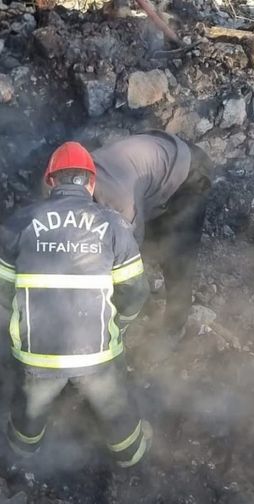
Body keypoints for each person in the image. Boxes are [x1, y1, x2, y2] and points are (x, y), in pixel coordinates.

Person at [0, 141, 153, 468]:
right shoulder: (114, 225)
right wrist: (120, 324)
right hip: (96, 354)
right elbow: (135, 291)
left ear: (50, 182)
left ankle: (23, 453)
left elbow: (1, 288)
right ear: (91, 183)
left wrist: (24, 315)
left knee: (30, 407)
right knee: (113, 404)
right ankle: (130, 453)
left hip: (37, 352)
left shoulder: (18, 224)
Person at [89, 131, 212, 344]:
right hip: (151, 170)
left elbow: (128, 260)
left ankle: (173, 330)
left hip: (189, 173)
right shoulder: (56, 190)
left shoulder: (120, 202)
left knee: (176, 259)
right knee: (143, 245)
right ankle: (143, 304)